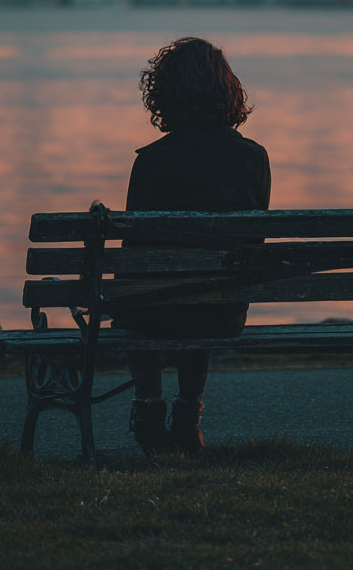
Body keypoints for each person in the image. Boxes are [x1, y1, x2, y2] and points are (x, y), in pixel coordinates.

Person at [112, 37, 271, 457]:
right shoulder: (253, 158)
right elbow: (254, 242)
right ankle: (187, 418)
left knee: (143, 297)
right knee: (206, 290)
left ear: (164, 94)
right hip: (223, 311)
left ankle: (148, 413)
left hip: (156, 310)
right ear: (227, 91)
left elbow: (135, 249)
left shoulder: (150, 161)